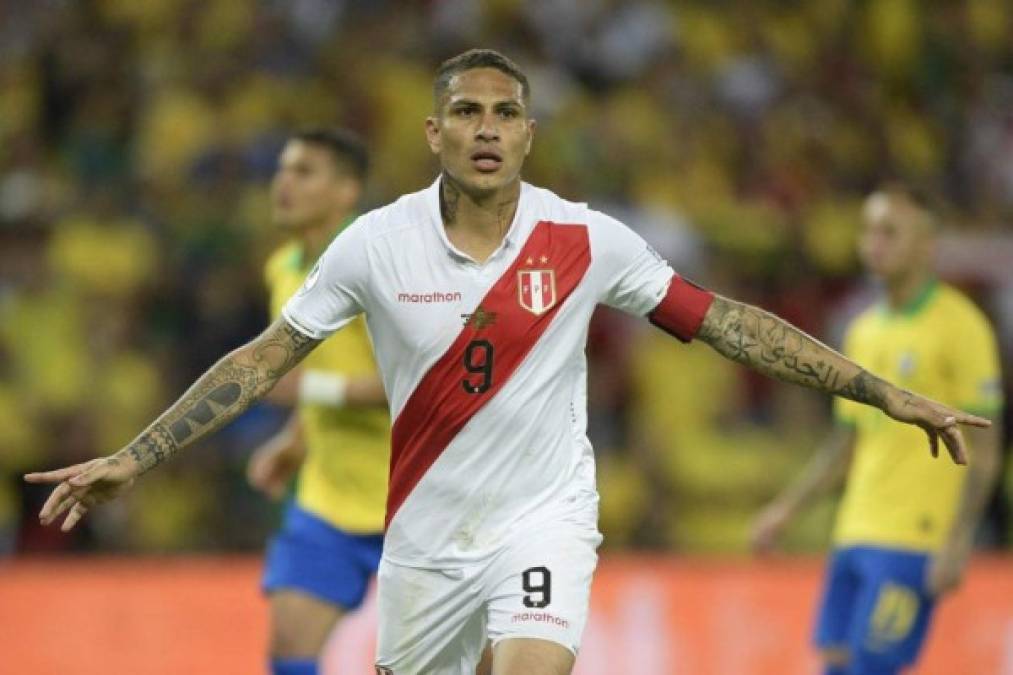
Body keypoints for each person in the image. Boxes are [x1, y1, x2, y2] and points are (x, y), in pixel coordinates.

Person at [26, 51, 990, 675]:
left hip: (544, 516)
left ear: (528, 134)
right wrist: (136, 456)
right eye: (466, 110)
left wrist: (884, 391)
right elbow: (264, 356)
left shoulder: (583, 239)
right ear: (433, 131)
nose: (486, 126)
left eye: (505, 112)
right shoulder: (373, 243)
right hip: (424, 535)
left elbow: (730, 322)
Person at [751, 186, 1003, 675]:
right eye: (868, 231)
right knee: (836, 666)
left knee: (872, 669)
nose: (874, 243)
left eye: (890, 232)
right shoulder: (863, 329)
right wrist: (787, 509)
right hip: (854, 529)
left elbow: (988, 449)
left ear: (926, 244)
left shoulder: (962, 327)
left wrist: (959, 540)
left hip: (914, 536)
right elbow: (847, 441)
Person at [248, 128, 389, 675]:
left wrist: (310, 392)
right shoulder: (282, 269)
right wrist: (295, 441)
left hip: (419, 499)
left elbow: (419, 383)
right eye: (283, 168)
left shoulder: (381, 266)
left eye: (304, 171)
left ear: (346, 191)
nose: (283, 182)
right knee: (290, 647)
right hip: (329, 499)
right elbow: (325, 368)